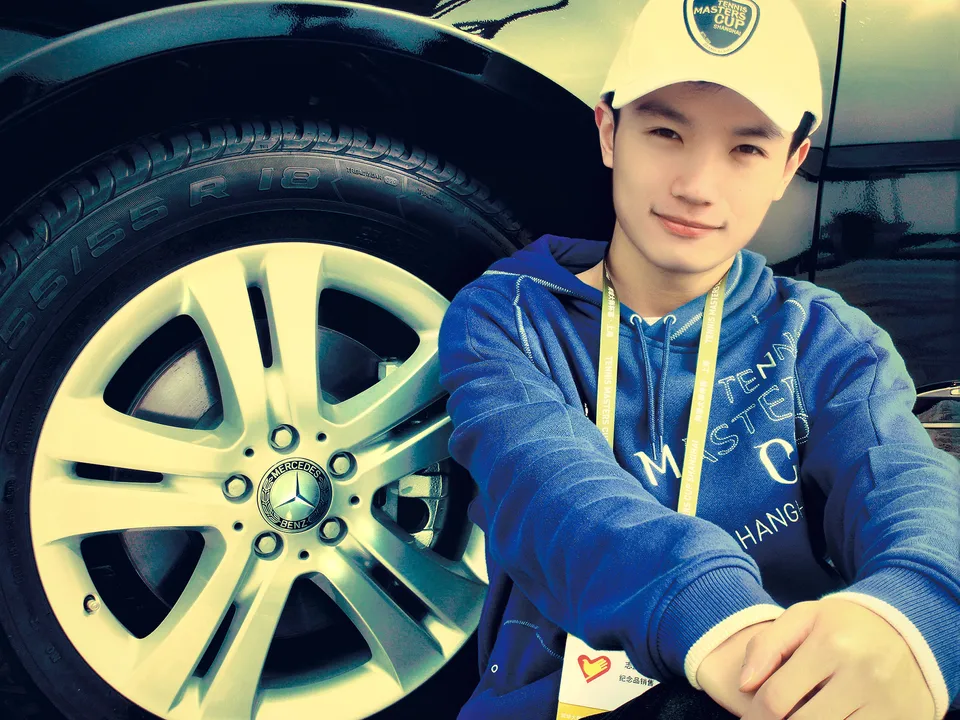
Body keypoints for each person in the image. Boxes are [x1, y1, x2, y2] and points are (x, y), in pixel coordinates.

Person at [436, 0, 960, 719]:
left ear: (790, 164)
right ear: (608, 131)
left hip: (778, 691)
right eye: (665, 133)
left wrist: (913, 613)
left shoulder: (827, 339)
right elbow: (548, 484)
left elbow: (902, 477)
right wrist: (722, 623)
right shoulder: (507, 318)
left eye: (746, 149)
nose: (696, 187)